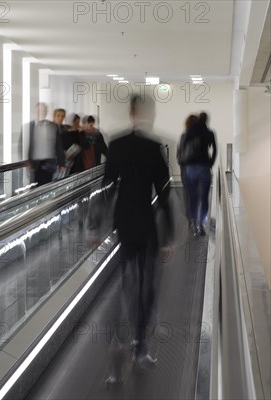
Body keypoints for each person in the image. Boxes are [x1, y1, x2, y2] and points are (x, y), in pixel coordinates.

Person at [87, 94, 174, 387]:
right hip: (146, 227)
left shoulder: (117, 145)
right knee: (146, 288)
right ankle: (138, 347)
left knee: (128, 285)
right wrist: (169, 235)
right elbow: (163, 192)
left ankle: (121, 345)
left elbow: (107, 186)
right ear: (147, 114)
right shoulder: (153, 147)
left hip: (124, 224)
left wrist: (95, 225)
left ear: (131, 112)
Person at [180, 112, 217, 237]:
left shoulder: (189, 133)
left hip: (190, 169)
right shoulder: (209, 133)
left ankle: (194, 225)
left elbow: (183, 150)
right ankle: (201, 224)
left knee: (193, 199)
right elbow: (215, 150)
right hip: (205, 168)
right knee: (204, 198)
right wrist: (210, 162)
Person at [22, 103, 66, 186]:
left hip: (49, 164)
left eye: (43, 111)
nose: (41, 113)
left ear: (46, 112)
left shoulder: (53, 126)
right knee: (34, 187)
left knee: (46, 186)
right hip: (34, 164)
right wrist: (26, 159)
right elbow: (24, 144)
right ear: (35, 112)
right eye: (39, 111)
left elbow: (58, 146)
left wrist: (62, 163)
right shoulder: (29, 126)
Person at [176, 114, 200, 222]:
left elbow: (179, 155)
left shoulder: (184, 136)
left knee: (187, 196)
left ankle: (190, 219)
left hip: (186, 170)